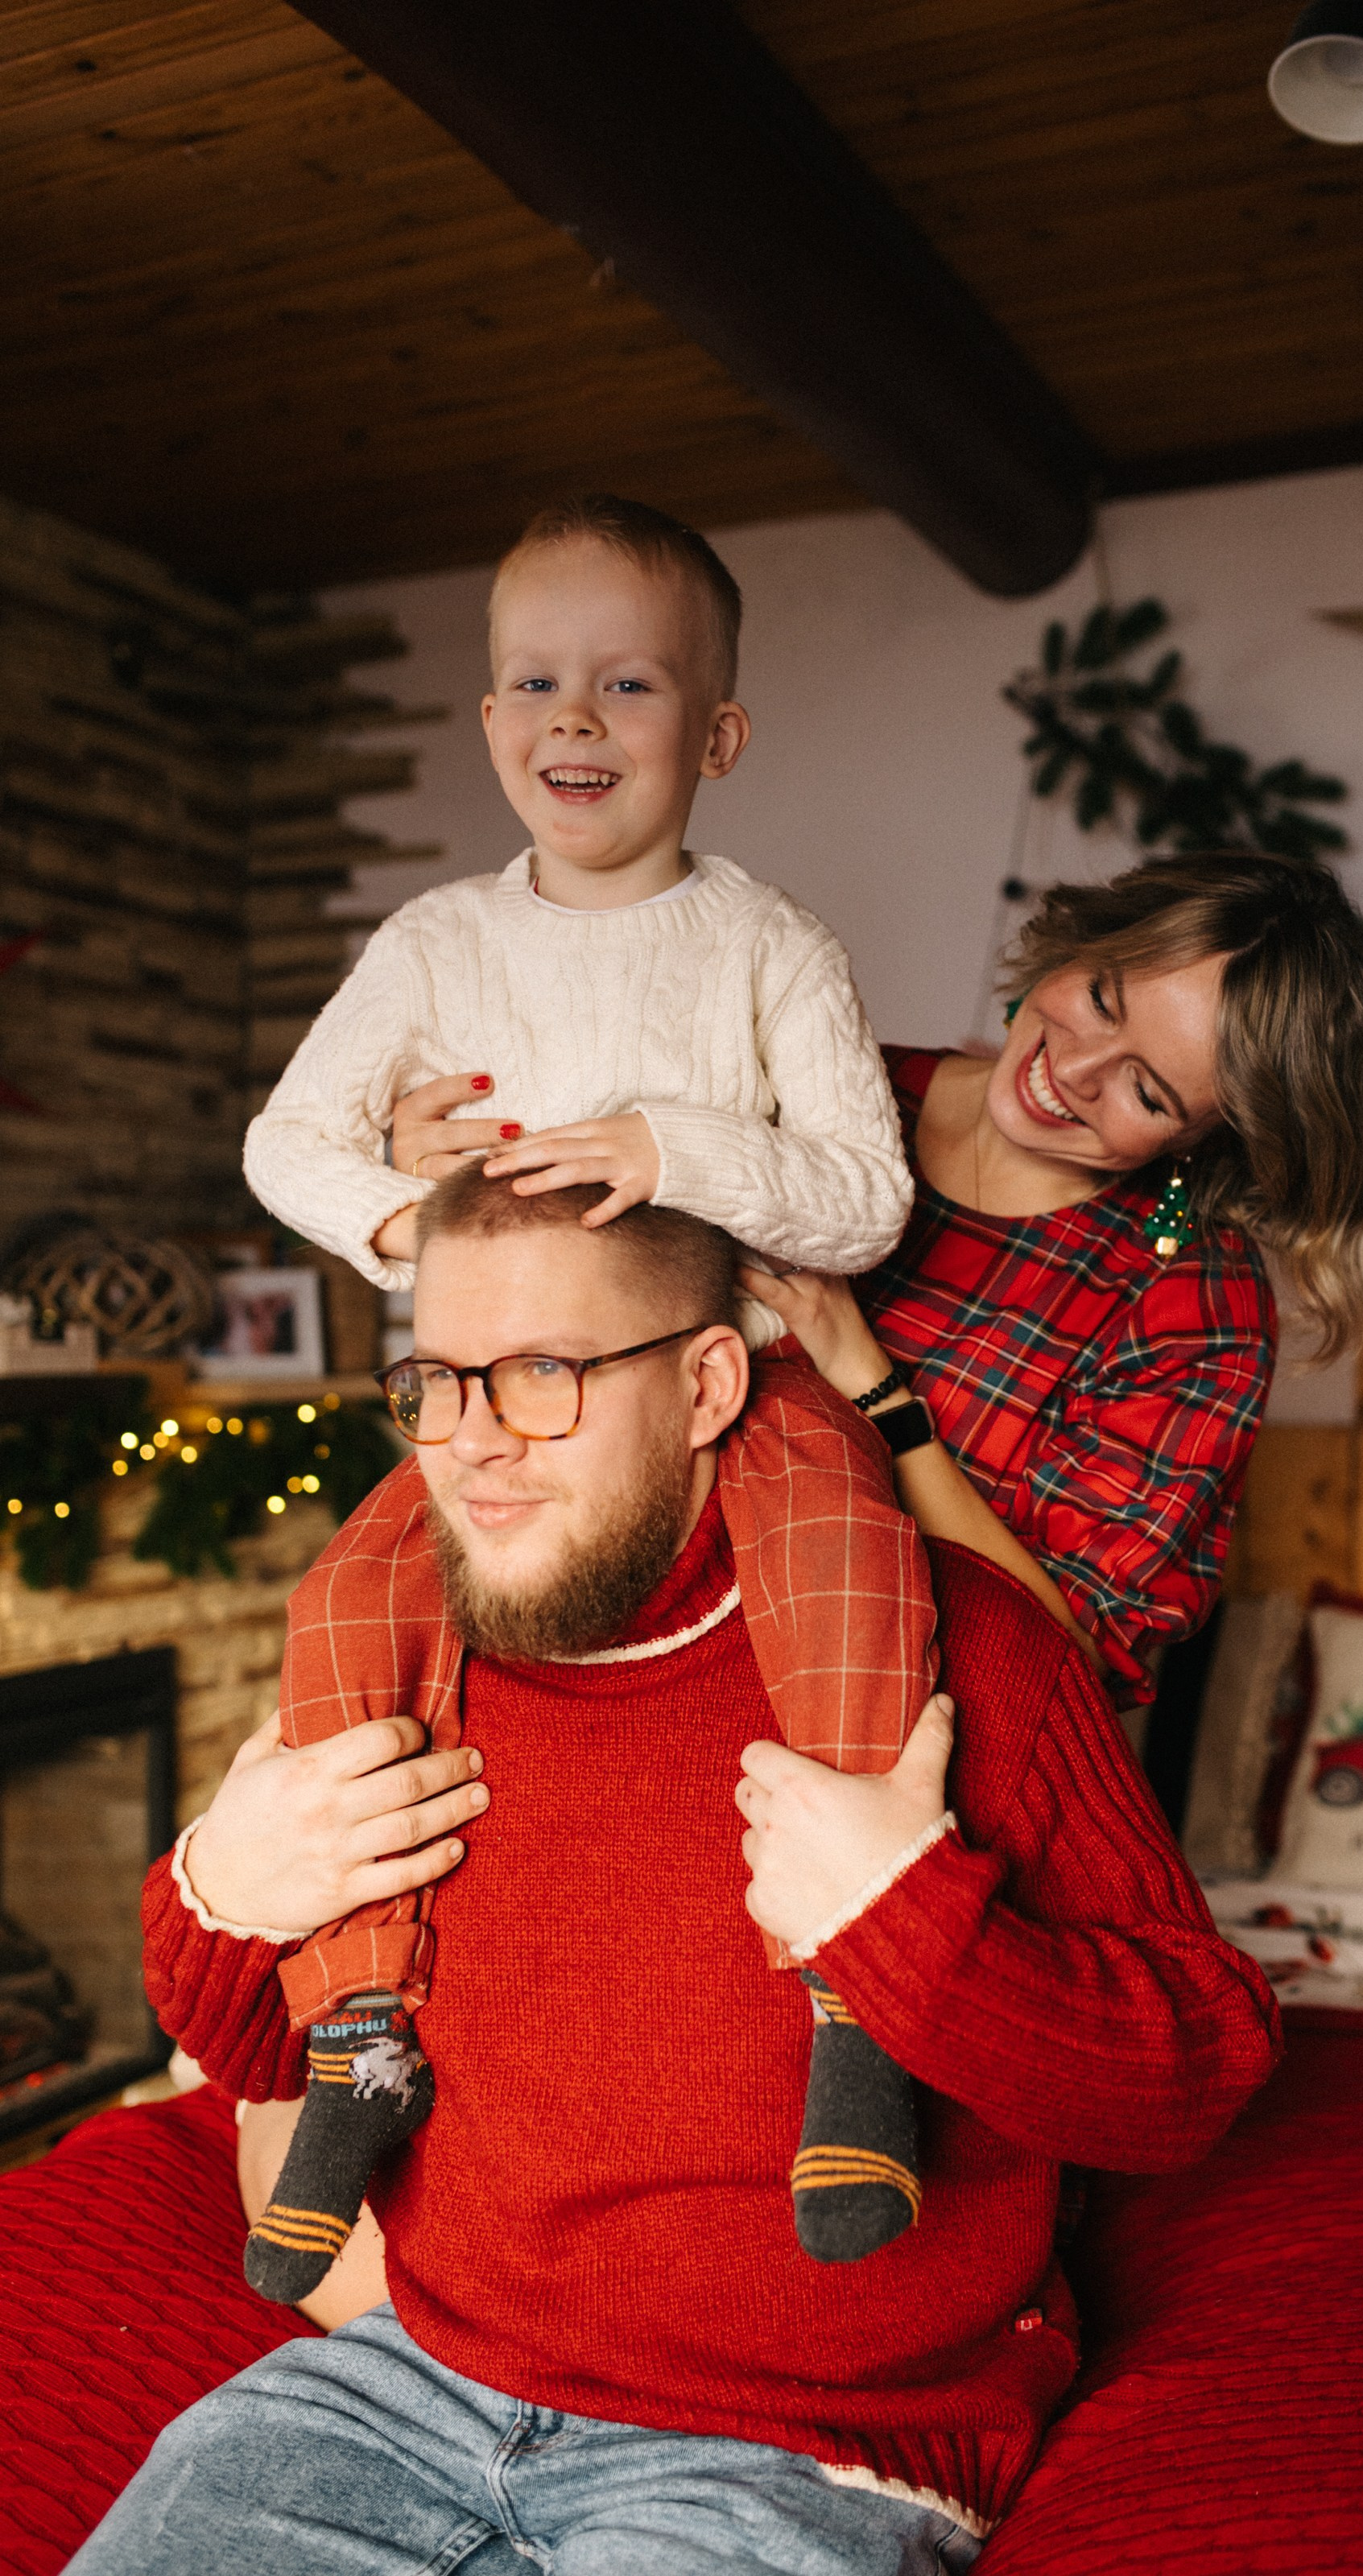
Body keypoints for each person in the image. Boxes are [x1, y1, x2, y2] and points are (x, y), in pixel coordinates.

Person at [81, 1170, 1281, 2574]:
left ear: (707, 1383)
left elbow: (1201, 2072)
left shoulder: (961, 1649)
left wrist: (909, 1927)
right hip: (414, 2382)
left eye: (543, 1373)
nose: (472, 1443)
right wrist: (224, 1895)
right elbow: (249, 2054)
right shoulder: (390, 1650)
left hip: (803, 2443)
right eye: (438, 1381)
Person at [237, 493, 940, 2296]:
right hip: (492, 1384)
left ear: (717, 735)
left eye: (626, 684)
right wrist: (422, 1220)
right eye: (536, 682)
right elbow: (283, 1142)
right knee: (348, 1606)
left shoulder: (772, 946)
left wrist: (674, 1147)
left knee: (853, 1563)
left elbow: (864, 1197)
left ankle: (856, 2005)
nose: (574, 717)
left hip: (727, 1373)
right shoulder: (436, 945)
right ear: (488, 722)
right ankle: (361, 2029)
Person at [735, 849, 1363, 1695]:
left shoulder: (1193, 1303)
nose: (1075, 1070)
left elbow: (1074, 1657)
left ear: (1209, 1139)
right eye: (1101, 999)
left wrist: (874, 1389)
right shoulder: (831, 1093)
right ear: (1081, 944)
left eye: (1148, 1092)